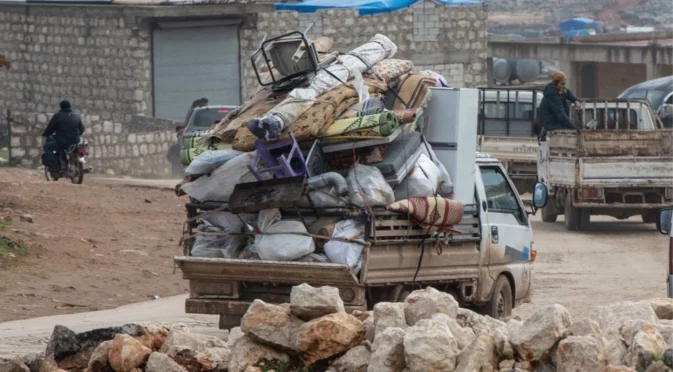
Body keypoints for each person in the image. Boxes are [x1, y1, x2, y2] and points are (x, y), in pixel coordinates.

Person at [42, 100, 85, 170]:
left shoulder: (58, 116)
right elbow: (82, 129)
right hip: (75, 142)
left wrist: (46, 134)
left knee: (47, 147)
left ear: (61, 107)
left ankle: (54, 167)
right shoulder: (76, 116)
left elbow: (50, 127)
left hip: (62, 142)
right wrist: (76, 135)